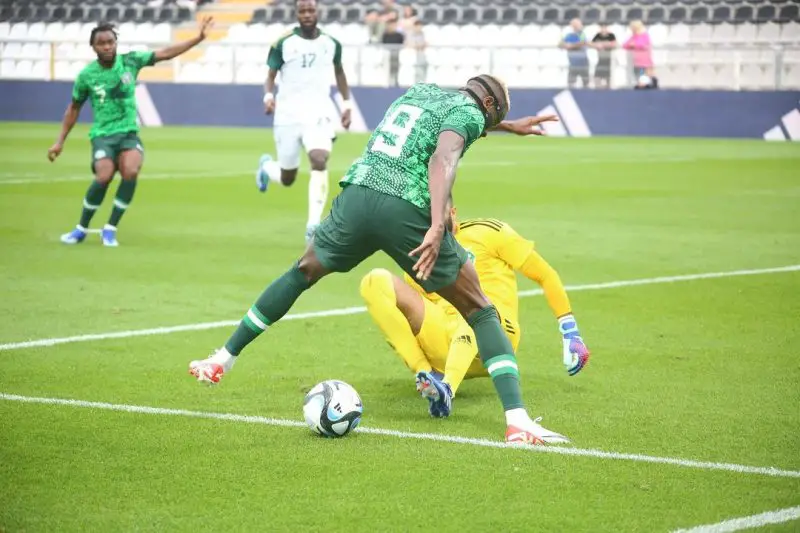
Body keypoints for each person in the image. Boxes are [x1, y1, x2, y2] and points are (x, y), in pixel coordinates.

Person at [189, 75, 569, 445]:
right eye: (493, 118)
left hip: (359, 194)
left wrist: (507, 126)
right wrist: (438, 224)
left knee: (302, 272)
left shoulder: (422, 92)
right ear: (487, 105)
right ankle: (517, 422)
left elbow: (449, 121)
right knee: (481, 310)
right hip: (404, 207)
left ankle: (223, 357)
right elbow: (443, 157)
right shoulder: (469, 113)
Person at [359, 201, 590, 417]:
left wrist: (570, 331)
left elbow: (545, 275)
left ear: (453, 213)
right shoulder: (420, 253)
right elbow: (415, 310)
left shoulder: (489, 232)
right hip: (446, 340)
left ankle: (447, 389)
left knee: (470, 308)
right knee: (374, 281)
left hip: (495, 336)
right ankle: (429, 377)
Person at [49, 18, 213, 247]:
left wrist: (198, 38)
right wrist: (59, 142)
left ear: (116, 43)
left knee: (131, 171)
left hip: (128, 134)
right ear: (93, 47)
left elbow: (166, 53)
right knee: (104, 176)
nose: (107, 46)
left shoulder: (130, 61)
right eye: (101, 43)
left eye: (110, 42)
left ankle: (110, 229)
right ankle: (81, 228)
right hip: (103, 135)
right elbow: (74, 108)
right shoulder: (86, 76)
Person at [258, 0, 352, 243]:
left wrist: (346, 104)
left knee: (319, 159)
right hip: (287, 116)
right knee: (287, 178)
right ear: (297, 13)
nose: (307, 14)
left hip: (318, 114)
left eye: (311, 10)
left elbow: (339, 72)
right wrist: (268, 96)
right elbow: (270, 75)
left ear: (317, 11)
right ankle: (267, 168)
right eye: (303, 11)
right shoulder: (283, 43)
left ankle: (313, 225)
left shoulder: (331, 43)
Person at [559, 18, 589, 89]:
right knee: (571, 83)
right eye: (574, 25)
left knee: (585, 82)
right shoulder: (569, 35)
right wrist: (565, 45)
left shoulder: (582, 34)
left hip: (582, 62)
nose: (576, 26)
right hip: (572, 62)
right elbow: (560, 44)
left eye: (577, 25)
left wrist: (570, 46)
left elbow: (582, 43)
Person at [591, 24, 617, 89]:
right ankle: (598, 87)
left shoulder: (611, 35)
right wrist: (597, 45)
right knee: (598, 73)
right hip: (600, 58)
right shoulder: (598, 35)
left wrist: (603, 44)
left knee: (608, 74)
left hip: (608, 58)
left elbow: (615, 44)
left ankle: (608, 87)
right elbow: (591, 43)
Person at [381, 15, 405, 87]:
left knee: (396, 69)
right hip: (387, 55)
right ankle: (387, 83)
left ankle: (396, 83)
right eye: (390, 24)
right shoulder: (385, 35)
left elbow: (402, 44)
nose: (392, 26)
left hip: (397, 54)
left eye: (394, 25)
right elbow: (383, 44)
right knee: (387, 69)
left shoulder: (399, 35)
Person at [408, 19, 427, 84]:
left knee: (421, 71)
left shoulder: (424, 34)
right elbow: (409, 44)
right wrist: (418, 46)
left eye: (420, 26)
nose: (419, 27)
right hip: (412, 55)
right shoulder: (410, 34)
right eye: (417, 26)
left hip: (421, 55)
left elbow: (425, 44)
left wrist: (419, 46)